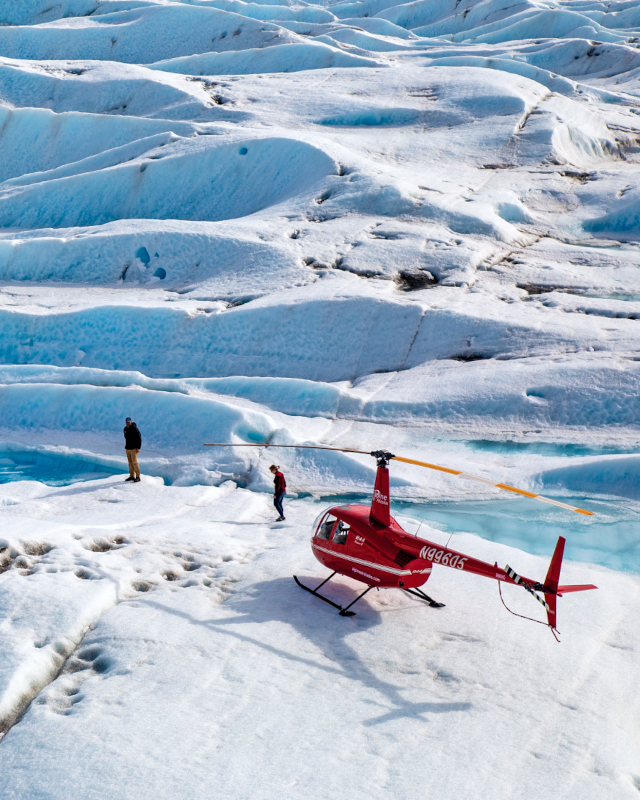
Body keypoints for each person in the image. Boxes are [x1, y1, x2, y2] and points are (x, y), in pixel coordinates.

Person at [123, 417, 142, 483]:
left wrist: (138, 447)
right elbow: (126, 437)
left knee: (134, 462)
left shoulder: (134, 429)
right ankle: (131, 476)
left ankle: (137, 476)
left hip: (133, 448)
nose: (127, 423)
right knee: (130, 463)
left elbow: (139, 437)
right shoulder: (125, 429)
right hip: (128, 448)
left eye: (128, 422)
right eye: (127, 422)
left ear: (131, 421)